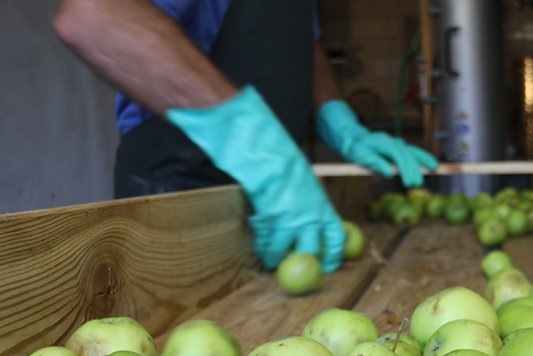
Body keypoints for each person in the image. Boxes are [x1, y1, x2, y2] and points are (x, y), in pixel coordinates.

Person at [52, 0, 438, 273]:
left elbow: (302, 40)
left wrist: (338, 119)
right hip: (178, 194)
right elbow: (94, 15)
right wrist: (249, 138)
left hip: (271, 200)